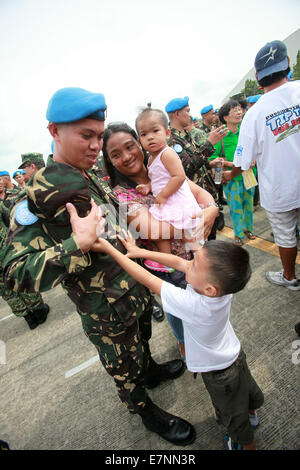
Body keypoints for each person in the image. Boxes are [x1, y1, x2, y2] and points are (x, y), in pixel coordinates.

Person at [2, 87, 196, 446]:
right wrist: (77, 244)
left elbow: (112, 216)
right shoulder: (41, 193)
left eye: (98, 135)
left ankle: (151, 371)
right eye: (85, 135)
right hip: (104, 308)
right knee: (124, 367)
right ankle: (144, 409)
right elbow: (14, 273)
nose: (95, 145)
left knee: (143, 344)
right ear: (54, 132)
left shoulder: (86, 174)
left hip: (132, 287)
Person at [93, 231, 264, 450]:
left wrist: (110, 250)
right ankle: (252, 415)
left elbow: (147, 279)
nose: (187, 264)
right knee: (247, 391)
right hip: (234, 354)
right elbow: (178, 262)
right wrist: (138, 251)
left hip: (219, 372)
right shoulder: (222, 289)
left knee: (232, 416)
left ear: (210, 289)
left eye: (193, 265)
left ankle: (245, 443)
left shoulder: (194, 305)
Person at [102, 121, 218, 360]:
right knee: (181, 314)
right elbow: (154, 231)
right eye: (115, 154)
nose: (126, 156)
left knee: (210, 309)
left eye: (129, 146)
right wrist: (198, 218)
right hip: (167, 267)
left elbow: (198, 191)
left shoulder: (162, 165)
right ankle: (185, 347)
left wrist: (212, 208)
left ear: (140, 143)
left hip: (197, 256)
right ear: (110, 161)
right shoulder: (120, 194)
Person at [225, 40, 300, 290]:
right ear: (287, 64)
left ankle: (290, 278)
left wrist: (228, 175)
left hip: (280, 191)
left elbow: (242, 161)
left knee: (285, 236)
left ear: (258, 77)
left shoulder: (254, 115)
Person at [135, 107, 203, 264]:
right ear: (140, 140)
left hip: (176, 201)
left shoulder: (167, 153)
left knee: (189, 235)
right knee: (163, 233)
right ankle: (167, 261)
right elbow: (158, 178)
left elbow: (179, 176)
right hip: (167, 202)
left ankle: (200, 260)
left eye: (155, 131)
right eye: (144, 134)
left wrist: (164, 194)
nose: (150, 137)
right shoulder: (152, 159)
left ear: (167, 133)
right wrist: (148, 186)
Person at [165, 96, 228, 238]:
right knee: (204, 243)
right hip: (195, 203)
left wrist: (210, 163)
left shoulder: (186, 135)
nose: (190, 114)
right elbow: (185, 169)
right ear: (177, 114)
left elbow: (197, 159)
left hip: (205, 195)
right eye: (187, 111)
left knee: (211, 238)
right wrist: (209, 144)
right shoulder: (172, 141)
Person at [0, 175, 49, 330]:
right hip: (6, 250)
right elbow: (10, 222)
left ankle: (28, 318)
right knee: (20, 278)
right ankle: (38, 310)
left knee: (5, 288)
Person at [210, 100, 256, 245]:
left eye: (239, 109)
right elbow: (212, 158)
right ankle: (238, 234)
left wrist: (254, 158)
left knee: (249, 205)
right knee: (236, 207)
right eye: (234, 111)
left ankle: (249, 229)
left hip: (249, 175)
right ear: (225, 118)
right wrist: (228, 164)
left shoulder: (246, 130)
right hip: (232, 178)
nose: (239, 112)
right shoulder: (221, 136)